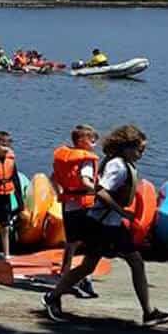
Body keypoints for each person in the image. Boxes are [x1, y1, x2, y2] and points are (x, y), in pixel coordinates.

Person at [42, 125, 168, 326]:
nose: (142, 154)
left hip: (108, 223)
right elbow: (101, 191)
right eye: (139, 149)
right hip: (104, 225)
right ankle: (148, 313)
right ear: (126, 147)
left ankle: (52, 297)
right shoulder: (118, 166)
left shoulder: (123, 164)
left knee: (89, 266)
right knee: (134, 262)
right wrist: (122, 212)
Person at [51, 125, 100, 299]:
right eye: (92, 138)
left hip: (69, 204)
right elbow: (85, 180)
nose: (95, 141)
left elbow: (53, 177)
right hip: (84, 204)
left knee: (71, 242)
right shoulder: (85, 160)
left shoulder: (63, 157)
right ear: (81, 141)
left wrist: (60, 193)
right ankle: (86, 278)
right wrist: (100, 191)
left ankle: (64, 273)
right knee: (88, 243)